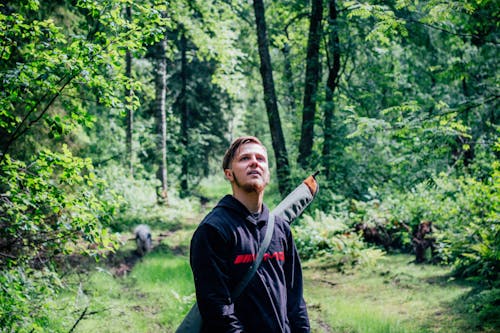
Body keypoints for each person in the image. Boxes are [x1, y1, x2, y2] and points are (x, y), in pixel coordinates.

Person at [190, 136, 310, 332]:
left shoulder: (280, 229)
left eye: (261, 159)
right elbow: (217, 308)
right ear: (229, 174)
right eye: (245, 158)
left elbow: (295, 299)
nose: (254, 162)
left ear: (268, 174)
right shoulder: (213, 230)